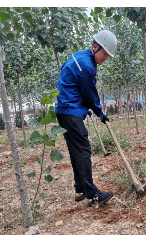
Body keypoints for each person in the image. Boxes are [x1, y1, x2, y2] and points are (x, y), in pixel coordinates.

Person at [55, 30, 117, 207]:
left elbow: (71, 83)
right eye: (105, 53)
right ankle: (92, 195)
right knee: (83, 151)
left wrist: (83, 108)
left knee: (76, 152)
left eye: (108, 56)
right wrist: (100, 113)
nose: (105, 58)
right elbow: (90, 94)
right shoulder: (87, 66)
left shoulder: (78, 57)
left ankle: (80, 189)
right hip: (70, 111)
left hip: (65, 110)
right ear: (96, 46)